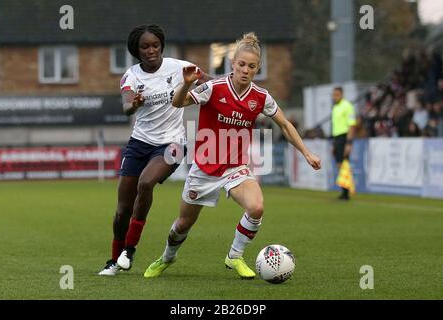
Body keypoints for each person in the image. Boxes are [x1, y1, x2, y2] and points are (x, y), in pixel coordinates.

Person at [143, 32, 321, 279]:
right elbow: (177, 103)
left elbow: (285, 125)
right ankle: (166, 258)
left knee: (256, 207)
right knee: (183, 224)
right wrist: (185, 83)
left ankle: (234, 256)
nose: (245, 70)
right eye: (241, 65)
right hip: (204, 168)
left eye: (251, 66)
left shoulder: (260, 97)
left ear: (257, 69)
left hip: (235, 168)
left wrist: (306, 152)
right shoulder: (213, 88)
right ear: (232, 65)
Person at [98, 24, 210, 276]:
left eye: (155, 45)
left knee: (146, 183)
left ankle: (130, 249)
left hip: (172, 144)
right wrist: (134, 105)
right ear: (136, 51)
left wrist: (236, 84)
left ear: (162, 45)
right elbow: (127, 106)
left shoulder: (180, 67)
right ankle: (114, 261)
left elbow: (211, 82)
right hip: (139, 144)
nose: (151, 50)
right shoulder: (131, 76)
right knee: (122, 209)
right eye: (145, 47)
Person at [331, 87, 356, 200]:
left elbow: (352, 124)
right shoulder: (335, 107)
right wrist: (333, 144)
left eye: (337, 94)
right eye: (334, 95)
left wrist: (349, 143)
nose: (335, 97)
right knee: (339, 164)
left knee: (344, 163)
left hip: (344, 136)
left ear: (342, 95)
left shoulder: (347, 106)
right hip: (337, 137)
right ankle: (344, 191)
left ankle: (346, 193)